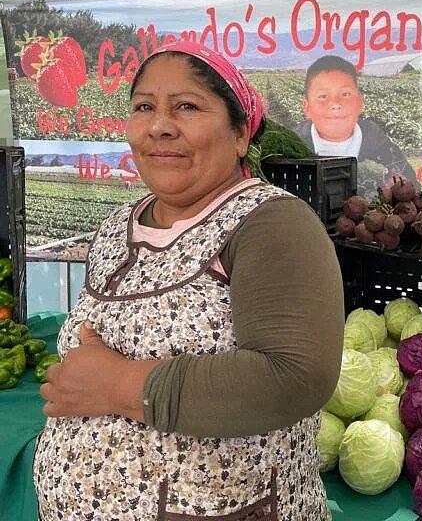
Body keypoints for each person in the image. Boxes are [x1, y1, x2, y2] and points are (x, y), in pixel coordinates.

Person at [33, 40, 344, 520]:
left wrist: (118, 385)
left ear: (240, 134)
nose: (159, 125)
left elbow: (295, 376)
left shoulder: (271, 224)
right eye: (144, 107)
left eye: (187, 106)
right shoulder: (120, 224)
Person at [294, 55, 417, 185]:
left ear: (359, 103)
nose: (336, 104)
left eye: (345, 94)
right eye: (323, 96)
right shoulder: (291, 149)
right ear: (307, 108)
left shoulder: (382, 147)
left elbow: (411, 190)